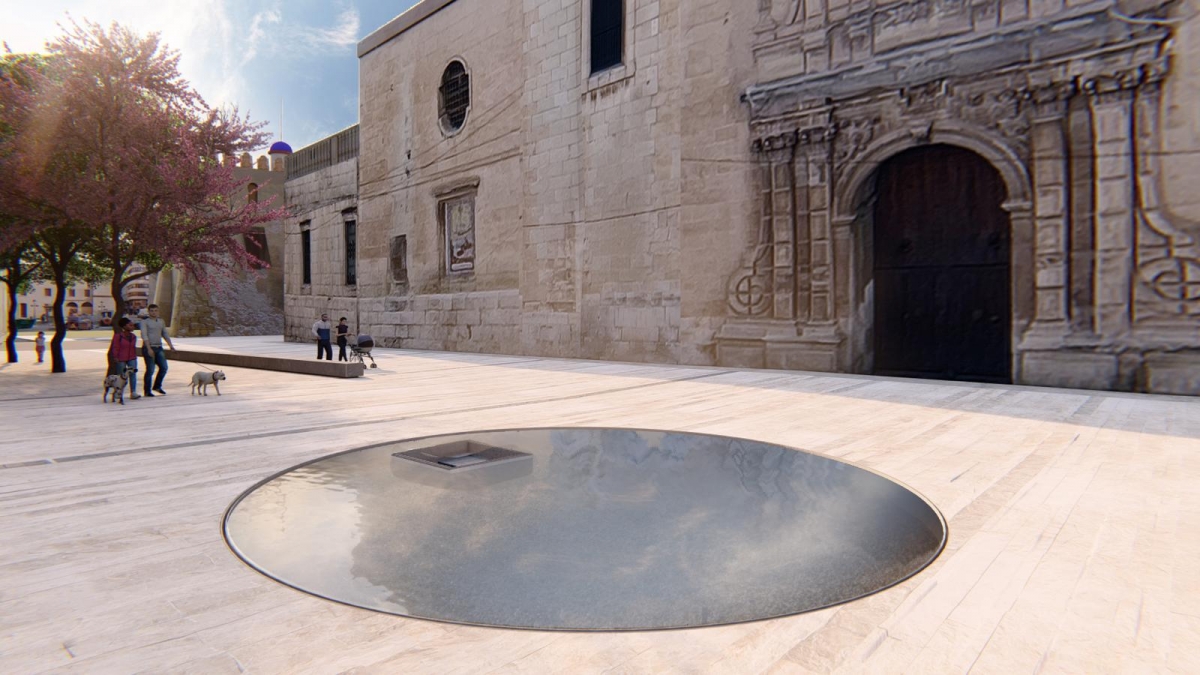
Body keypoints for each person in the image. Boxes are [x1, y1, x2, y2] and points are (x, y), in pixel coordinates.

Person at [139, 304, 175, 397]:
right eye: (152, 311)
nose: (154, 312)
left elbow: (165, 333)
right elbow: (144, 335)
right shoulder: (144, 322)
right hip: (149, 347)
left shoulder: (161, 321)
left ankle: (157, 386)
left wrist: (170, 345)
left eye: (155, 310)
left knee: (164, 367)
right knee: (150, 370)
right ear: (148, 311)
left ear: (158, 311)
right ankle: (147, 391)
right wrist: (148, 348)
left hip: (159, 347)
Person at [108, 318, 141, 400]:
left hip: (132, 357)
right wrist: (115, 357)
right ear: (124, 326)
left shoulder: (133, 337)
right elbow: (115, 347)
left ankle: (133, 392)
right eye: (130, 325)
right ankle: (118, 392)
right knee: (121, 376)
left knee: (133, 374)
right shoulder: (118, 336)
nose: (132, 327)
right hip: (121, 358)